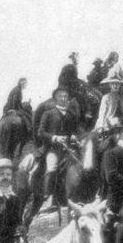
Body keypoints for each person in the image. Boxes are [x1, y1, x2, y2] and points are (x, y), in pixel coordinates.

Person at [29, 85, 81, 222]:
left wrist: (74, 137)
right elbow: (40, 132)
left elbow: (74, 131)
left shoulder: (71, 115)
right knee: (52, 167)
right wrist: (54, 137)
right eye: (60, 96)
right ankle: (48, 197)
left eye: (65, 96)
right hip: (53, 149)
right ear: (56, 98)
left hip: (68, 149)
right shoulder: (48, 114)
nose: (63, 98)